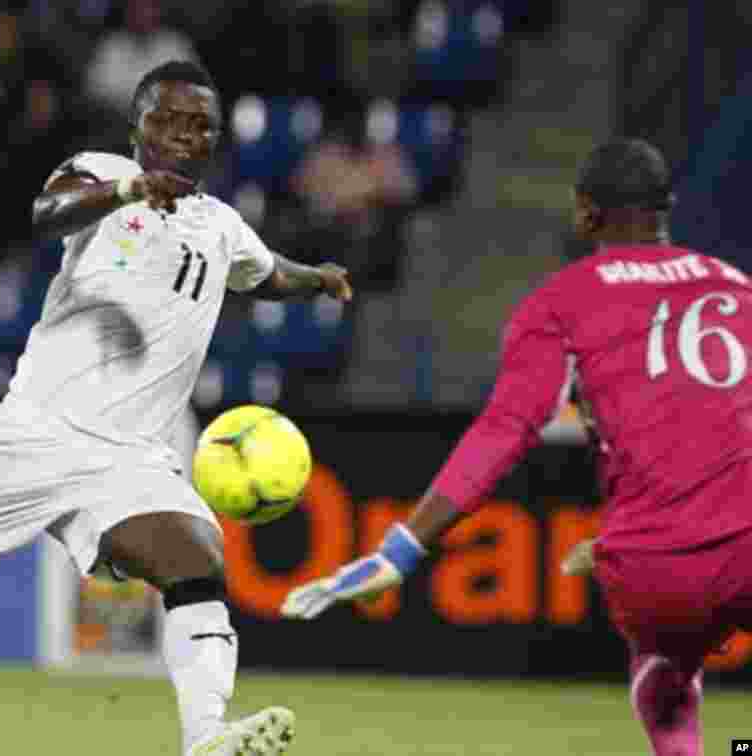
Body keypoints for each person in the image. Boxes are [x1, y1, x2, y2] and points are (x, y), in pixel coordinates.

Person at [0, 60, 352, 756]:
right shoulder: (100, 172)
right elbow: (45, 213)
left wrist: (318, 279)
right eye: (169, 119)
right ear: (139, 125)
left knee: (196, 561)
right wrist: (129, 189)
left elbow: (268, 276)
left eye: (201, 125)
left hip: (126, 459)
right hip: (29, 438)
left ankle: (207, 739)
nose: (185, 135)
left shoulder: (223, 227)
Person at [284, 138, 752, 756]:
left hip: (654, 569)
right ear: (667, 207)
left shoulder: (561, 303)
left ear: (585, 213)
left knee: (665, 667)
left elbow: (505, 432)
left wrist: (401, 549)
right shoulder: (738, 287)